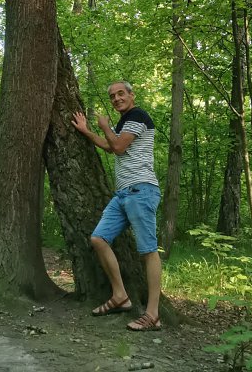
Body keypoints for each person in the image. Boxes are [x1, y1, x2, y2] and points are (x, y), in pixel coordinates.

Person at [72, 80, 162, 331]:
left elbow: (119, 147)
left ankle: (153, 314)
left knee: (148, 250)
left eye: (121, 93)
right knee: (99, 239)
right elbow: (109, 146)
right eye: (112, 96)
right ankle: (120, 295)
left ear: (132, 95)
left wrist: (104, 126)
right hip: (123, 194)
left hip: (141, 190)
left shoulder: (138, 115)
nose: (116, 99)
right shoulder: (123, 123)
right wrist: (86, 130)